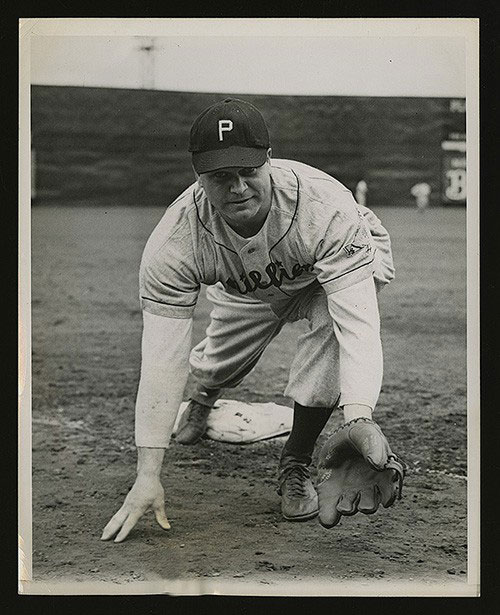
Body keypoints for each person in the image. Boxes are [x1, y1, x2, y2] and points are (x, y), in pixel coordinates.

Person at [101, 98, 397, 543]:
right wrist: (148, 474)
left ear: (269, 162)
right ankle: (203, 400)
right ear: (199, 177)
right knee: (218, 361)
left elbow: (358, 324)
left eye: (248, 171)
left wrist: (358, 417)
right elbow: (163, 360)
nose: (237, 187)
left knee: (332, 336)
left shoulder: (326, 207)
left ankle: (294, 464)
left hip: (325, 268)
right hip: (248, 282)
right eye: (221, 176)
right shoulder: (175, 243)